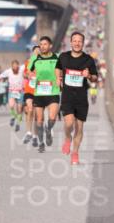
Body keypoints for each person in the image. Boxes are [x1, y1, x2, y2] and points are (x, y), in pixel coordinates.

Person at [56, 32, 99, 165]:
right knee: (69, 123)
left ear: (83, 43)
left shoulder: (88, 60)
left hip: (81, 98)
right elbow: (57, 68)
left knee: (79, 128)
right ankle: (68, 138)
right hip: (68, 96)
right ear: (71, 42)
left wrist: (89, 76)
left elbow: (95, 77)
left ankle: (75, 153)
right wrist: (58, 78)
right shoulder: (63, 57)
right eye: (74, 41)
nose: (77, 43)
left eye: (79, 41)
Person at [28, 36, 60, 153]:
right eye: (41, 44)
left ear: (50, 46)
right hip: (39, 93)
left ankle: (48, 130)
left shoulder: (57, 57)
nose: (42, 46)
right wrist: (30, 75)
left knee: (52, 118)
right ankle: (41, 143)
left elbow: (64, 69)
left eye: (45, 44)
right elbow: (29, 72)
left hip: (53, 91)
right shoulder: (35, 58)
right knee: (39, 120)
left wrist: (60, 78)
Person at [0, 59, 25, 131]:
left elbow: (30, 63)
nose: (15, 67)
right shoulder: (8, 71)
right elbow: (0, 76)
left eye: (16, 66)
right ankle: (13, 117)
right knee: (11, 106)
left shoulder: (22, 69)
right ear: (12, 66)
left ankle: (18, 124)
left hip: (20, 91)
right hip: (12, 91)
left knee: (19, 109)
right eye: (14, 66)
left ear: (18, 65)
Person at [22, 45, 40, 145]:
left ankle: (35, 136)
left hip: (39, 91)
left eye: (39, 51)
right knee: (30, 109)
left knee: (37, 116)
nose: (37, 52)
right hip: (29, 90)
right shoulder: (28, 62)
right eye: (35, 51)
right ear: (33, 53)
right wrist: (27, 75)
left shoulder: (43, 63)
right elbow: (24, 74)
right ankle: (28, 132)